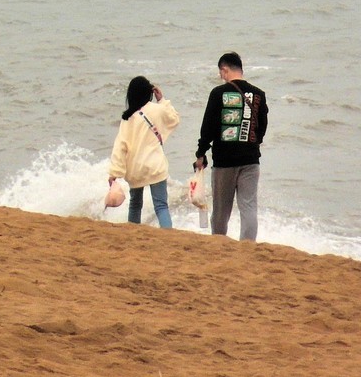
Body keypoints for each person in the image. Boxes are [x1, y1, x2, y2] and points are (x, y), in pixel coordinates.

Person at [194, 52, 268, 241]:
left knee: (221, 209)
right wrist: (253, 144)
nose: (221, 76)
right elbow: (262, 126)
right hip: (251, 160)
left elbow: (208, 127)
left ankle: (219, 242)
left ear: (224, 69)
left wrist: (201, 153)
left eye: (221, 72)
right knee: (249, 206)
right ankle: (248, 246)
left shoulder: (218, 93)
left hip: (224, 161)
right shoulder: (259, 94)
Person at [108, 76, 180, 228]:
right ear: (149, 93)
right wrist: (162, 100)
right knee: (161, 205)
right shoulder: (157, 109)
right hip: (155, 166)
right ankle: (169, 236)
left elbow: (120, 146)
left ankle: (132, 233)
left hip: (135, 168)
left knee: (135, 205)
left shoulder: (127, 118)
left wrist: (115, 172)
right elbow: (174, 119)